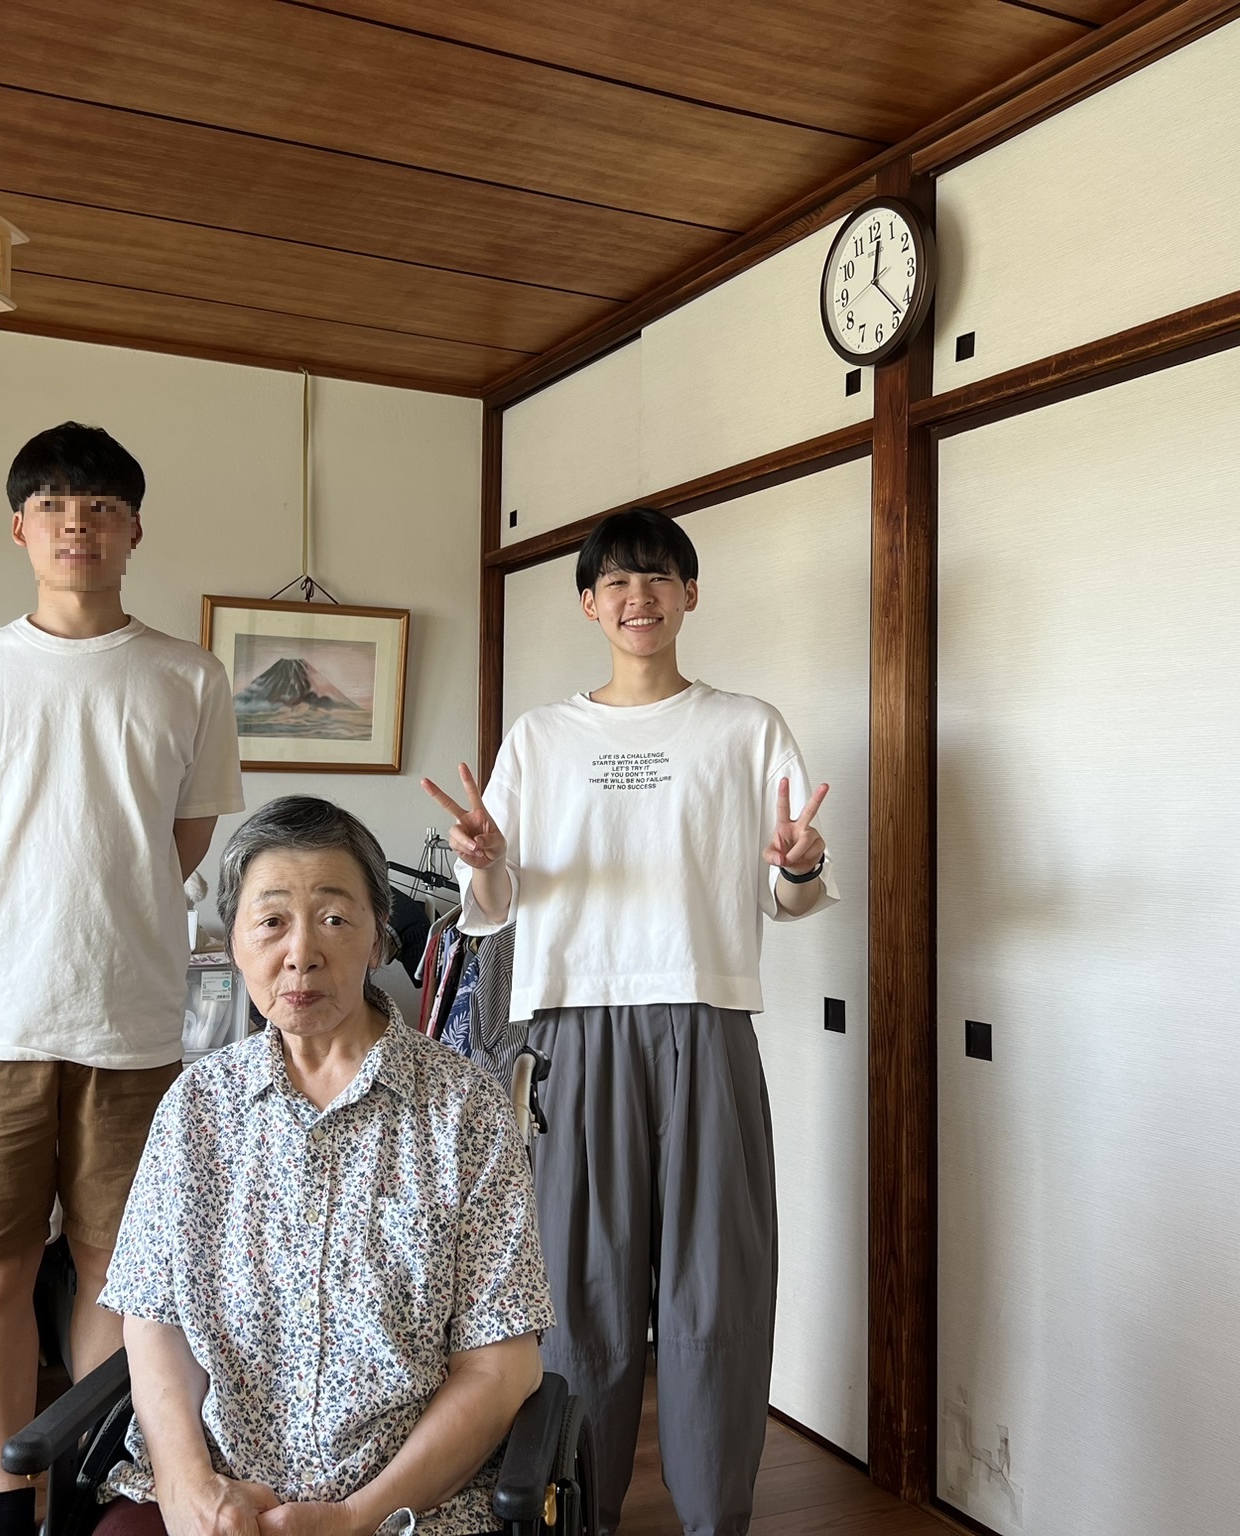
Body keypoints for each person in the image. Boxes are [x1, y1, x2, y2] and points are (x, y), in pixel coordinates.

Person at [422, 508, 835, 1536]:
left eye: (657, 578)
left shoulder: (746, 728)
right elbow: (497, 904)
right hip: (574, 1023)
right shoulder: (541, 738)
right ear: (587, 604)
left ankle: (714, 1519)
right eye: (615, 582)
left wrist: (800, 865)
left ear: (689, 594)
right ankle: (581, 1515)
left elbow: (785, 894)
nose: (637, 597)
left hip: (707, 1018)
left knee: (716, 1288)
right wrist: (483, 859)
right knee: (582, 1295)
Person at [0, 421, 245, 1536]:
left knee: (114, 1274)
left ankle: (86, 1495)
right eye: (51, 504)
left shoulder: (188, 675)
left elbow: (184, 838)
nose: (76, 523)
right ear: (19, 529)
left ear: (135, 529)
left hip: (131, 1023)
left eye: (99, 505)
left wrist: (111, 920)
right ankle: (8, 1501)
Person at [98, 796, 555, 1536]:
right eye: (271, 922)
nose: (301, 953)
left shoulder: (463, 1109)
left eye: (335, 919)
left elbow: (503, 1365)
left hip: (415, 1508)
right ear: (234, 941)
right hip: (219, 1497)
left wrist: (353, 1518)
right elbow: (156, 1324)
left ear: (379, 938)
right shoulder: (197, 1108)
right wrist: (188, 1491)